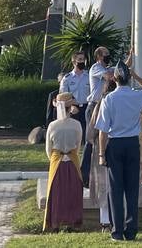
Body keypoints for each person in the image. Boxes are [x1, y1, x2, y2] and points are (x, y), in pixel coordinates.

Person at [95, 58, 142, 242]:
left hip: (115, 144)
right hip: (132, 144)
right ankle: (131, 230)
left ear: (114, 78)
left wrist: (101, 154)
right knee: (131, 188)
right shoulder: (137, 95)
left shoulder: (109, 99)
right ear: (129, 78)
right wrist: (135, 74)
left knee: (115, 189)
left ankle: (117, 230)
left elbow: (103, 132)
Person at [43, 91, 84, 232]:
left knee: (56, 193)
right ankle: (72, 222)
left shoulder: (52, 126)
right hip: (73, 160)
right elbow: (78, 145)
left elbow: (48, 149)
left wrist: (56, 157)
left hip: (56, 161)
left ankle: (55, 223)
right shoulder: (77, 125)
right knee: (73, 191)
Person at [86, 77, 116, 232]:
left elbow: (91, 131)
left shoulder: (101, 103)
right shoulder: (120, 102)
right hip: (119, 143)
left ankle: (105, 221)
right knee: (116, 183)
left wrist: (95, 143)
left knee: (103, 184)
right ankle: (117, 219)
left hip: (101, 146)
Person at [82, 46, 113, 188]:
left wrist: (130, 57)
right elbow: (109, 76)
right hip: (94, 107)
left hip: (104, 107)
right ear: (99, 56)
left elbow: (123, 69)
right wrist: (119, 71)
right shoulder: (96, 68)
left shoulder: (107, 68)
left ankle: (98, 175)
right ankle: (84, 176)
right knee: (90, 141)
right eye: (106, 54)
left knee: (104, 140)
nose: (108, 55)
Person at [61, 51, 89, 142]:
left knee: (86, 136)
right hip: (73, 109)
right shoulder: (67, 78)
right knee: (74, 138)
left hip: (86, 108)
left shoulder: (89, 76)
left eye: (83, 59)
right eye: (80, 59)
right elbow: (63, 96)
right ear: (74, 62)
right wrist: (71, 106)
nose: (82, 62)